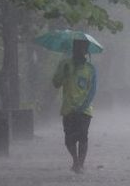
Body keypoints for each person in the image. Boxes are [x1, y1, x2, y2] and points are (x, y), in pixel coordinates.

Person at [52, 39, 97, 174]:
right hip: (68, 108)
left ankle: (80, 164)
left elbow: (92, 90)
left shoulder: (90, 69)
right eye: (78, 48)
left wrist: (82, 106)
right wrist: (64, 74)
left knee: (83, 136)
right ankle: (75, 160)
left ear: (86, 51)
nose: (80, 52)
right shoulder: (65, 64)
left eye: (83, 49)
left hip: (84, 110)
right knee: (69, 138)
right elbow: (56, 83)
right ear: (74, 49)